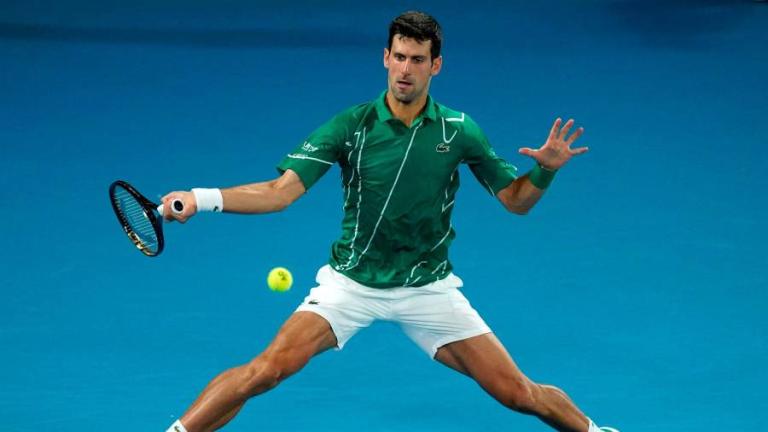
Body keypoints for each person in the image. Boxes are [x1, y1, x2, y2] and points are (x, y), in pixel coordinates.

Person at [161, 11, 618, 432]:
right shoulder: (351, 125)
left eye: (417, 59)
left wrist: (546, 170)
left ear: (435, 65)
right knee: (266, 371)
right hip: (352, 285)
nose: (405, 69)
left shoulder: (459, 131)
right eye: (398, 56)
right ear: (385, 57)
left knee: (518, 393)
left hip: (427, 289)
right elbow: (281, 193)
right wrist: (200, 199)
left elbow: (516, 202)